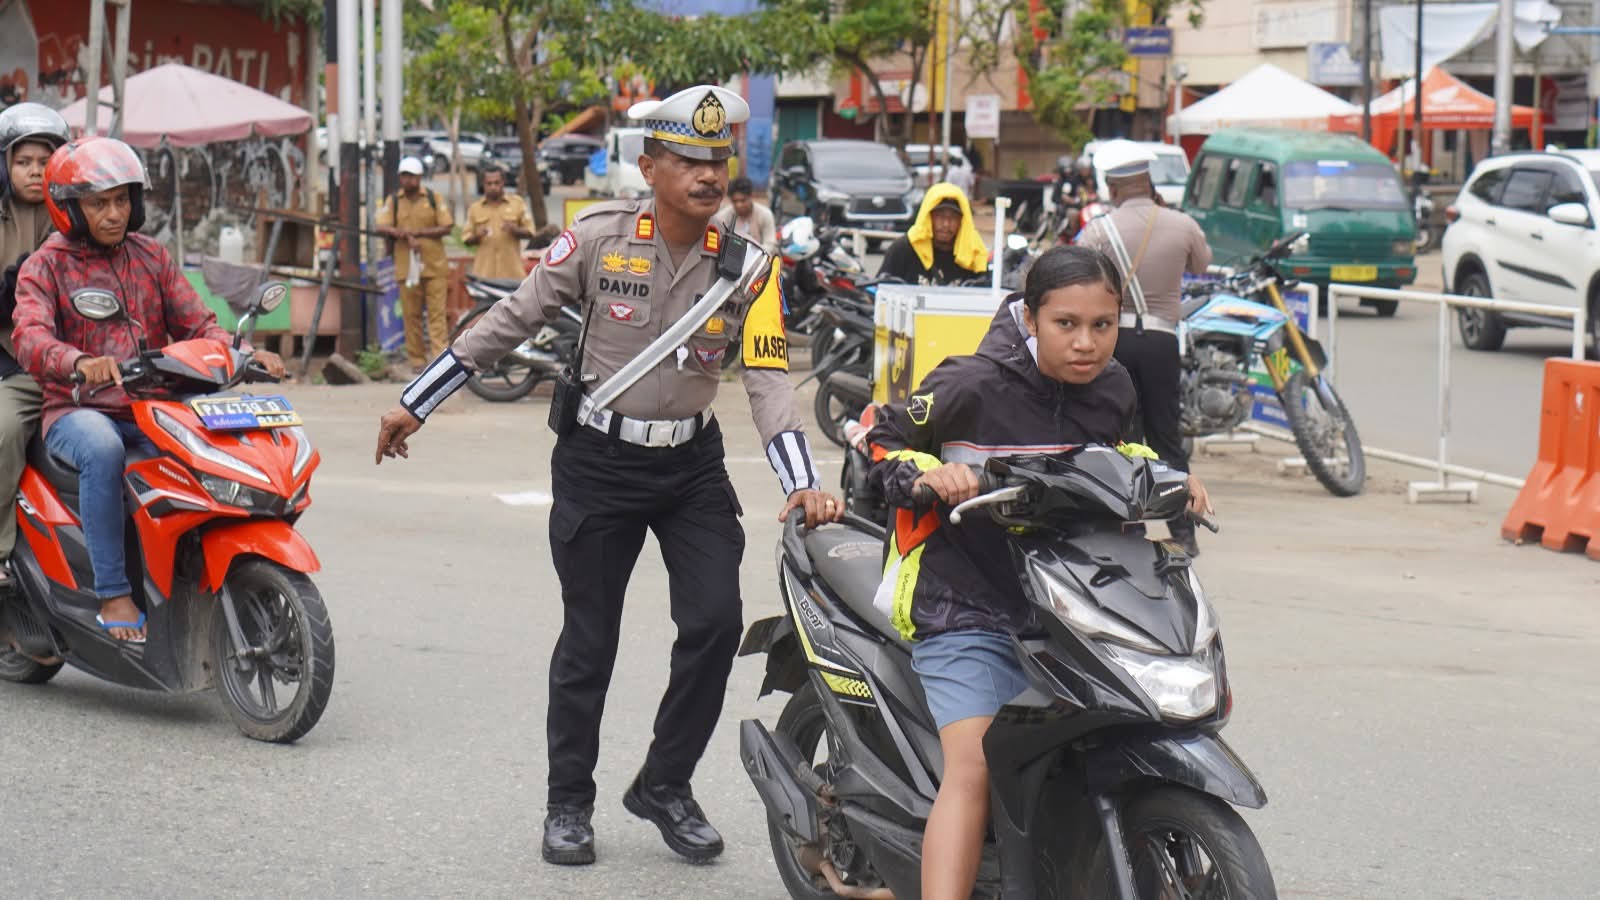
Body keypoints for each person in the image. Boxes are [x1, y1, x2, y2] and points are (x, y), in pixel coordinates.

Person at [373, 85, 844, 868]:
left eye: (717, 158)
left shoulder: (750, 267)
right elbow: (512, 319)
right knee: (590, 640)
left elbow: (766, 381)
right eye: (688, 159)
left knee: (714, 623)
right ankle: (568, 801)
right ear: (650, 165)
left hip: (691, 466)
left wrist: (798, 477)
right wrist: (416, 403)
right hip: (599, 463)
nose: (707, 173)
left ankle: (664, 784)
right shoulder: (596, 239)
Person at [865, 245, 1212, 899]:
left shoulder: (1115, 386)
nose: (1086, 343)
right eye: (1066, 324)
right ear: (1030, 318)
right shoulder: (970, 384)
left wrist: (1168, 478)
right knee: (974, 767)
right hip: (965, 601)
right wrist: (924, 472)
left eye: (1102, 326)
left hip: (1070, 604)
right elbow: (873, 435)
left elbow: (1118, 455)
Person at [12, 137, 286, 643]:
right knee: (103, 449)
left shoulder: (150, 256)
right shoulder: (46, 265)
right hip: (78, 410)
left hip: (156, 405)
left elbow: (198, 322)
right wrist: (79, 362)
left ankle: (196, 574)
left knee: (216, 452)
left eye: (121, 200)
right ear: (70, 208)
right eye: (98, 203)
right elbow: (30, 336)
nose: (114, 213)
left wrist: (243, 353)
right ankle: (114, 591)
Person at [1077, 139, 1212, 555]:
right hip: (1161, 340)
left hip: (1113, 342)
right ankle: (1183, 528)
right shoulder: (1182, 225)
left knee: (1119, 433)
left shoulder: (1099, 229)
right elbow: (1201, 265)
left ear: (1114, 189)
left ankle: (1128, 523)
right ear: (1149, 183)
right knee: (1166, 434)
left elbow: (1077, 271)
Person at [0, 103, 69, 591]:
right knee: (4, 431)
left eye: (44, 162)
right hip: (12, 360)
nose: (34, 172)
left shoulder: (74, 216)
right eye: (23, 161)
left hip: (72, 361)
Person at [376, 156, 454, 371]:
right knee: (411, 315)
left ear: (419, 177)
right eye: (404, 176)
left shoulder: (432, 197)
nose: (407, 180)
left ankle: (440, 360)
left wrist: (417, 234)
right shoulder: (393, 201)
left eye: (411, 176)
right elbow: (381, 226)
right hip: (406, 267)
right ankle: (417, 360)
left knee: (437, 314)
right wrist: (401, 233)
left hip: (434, 265)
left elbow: (447, 226)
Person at [877, 183, 988, 286]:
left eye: (953, 217)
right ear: (928, 217)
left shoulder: (974, 254)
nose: (946, 224)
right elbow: (880, 290)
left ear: (963, 221)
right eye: (940, 215)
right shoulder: (902, 249)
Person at [463, 165, 535, 280]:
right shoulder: (475, 208)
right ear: (483, 184)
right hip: (484, 274)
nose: (493, 187)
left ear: (503, 183)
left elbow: (531, 232)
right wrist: (477, 235)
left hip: (511, 274)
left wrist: (515, 229)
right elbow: (466, 240)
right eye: (489, 183)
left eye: (497, 183)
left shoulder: (517, 204)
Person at [714, 176, 777, 254]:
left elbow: (770, 244)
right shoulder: (723, 216)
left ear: (751, 196)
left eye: (743, 200)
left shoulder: (765, 215)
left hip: (758, 259)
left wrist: (756, 255)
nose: (739, 205)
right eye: (735, 201)